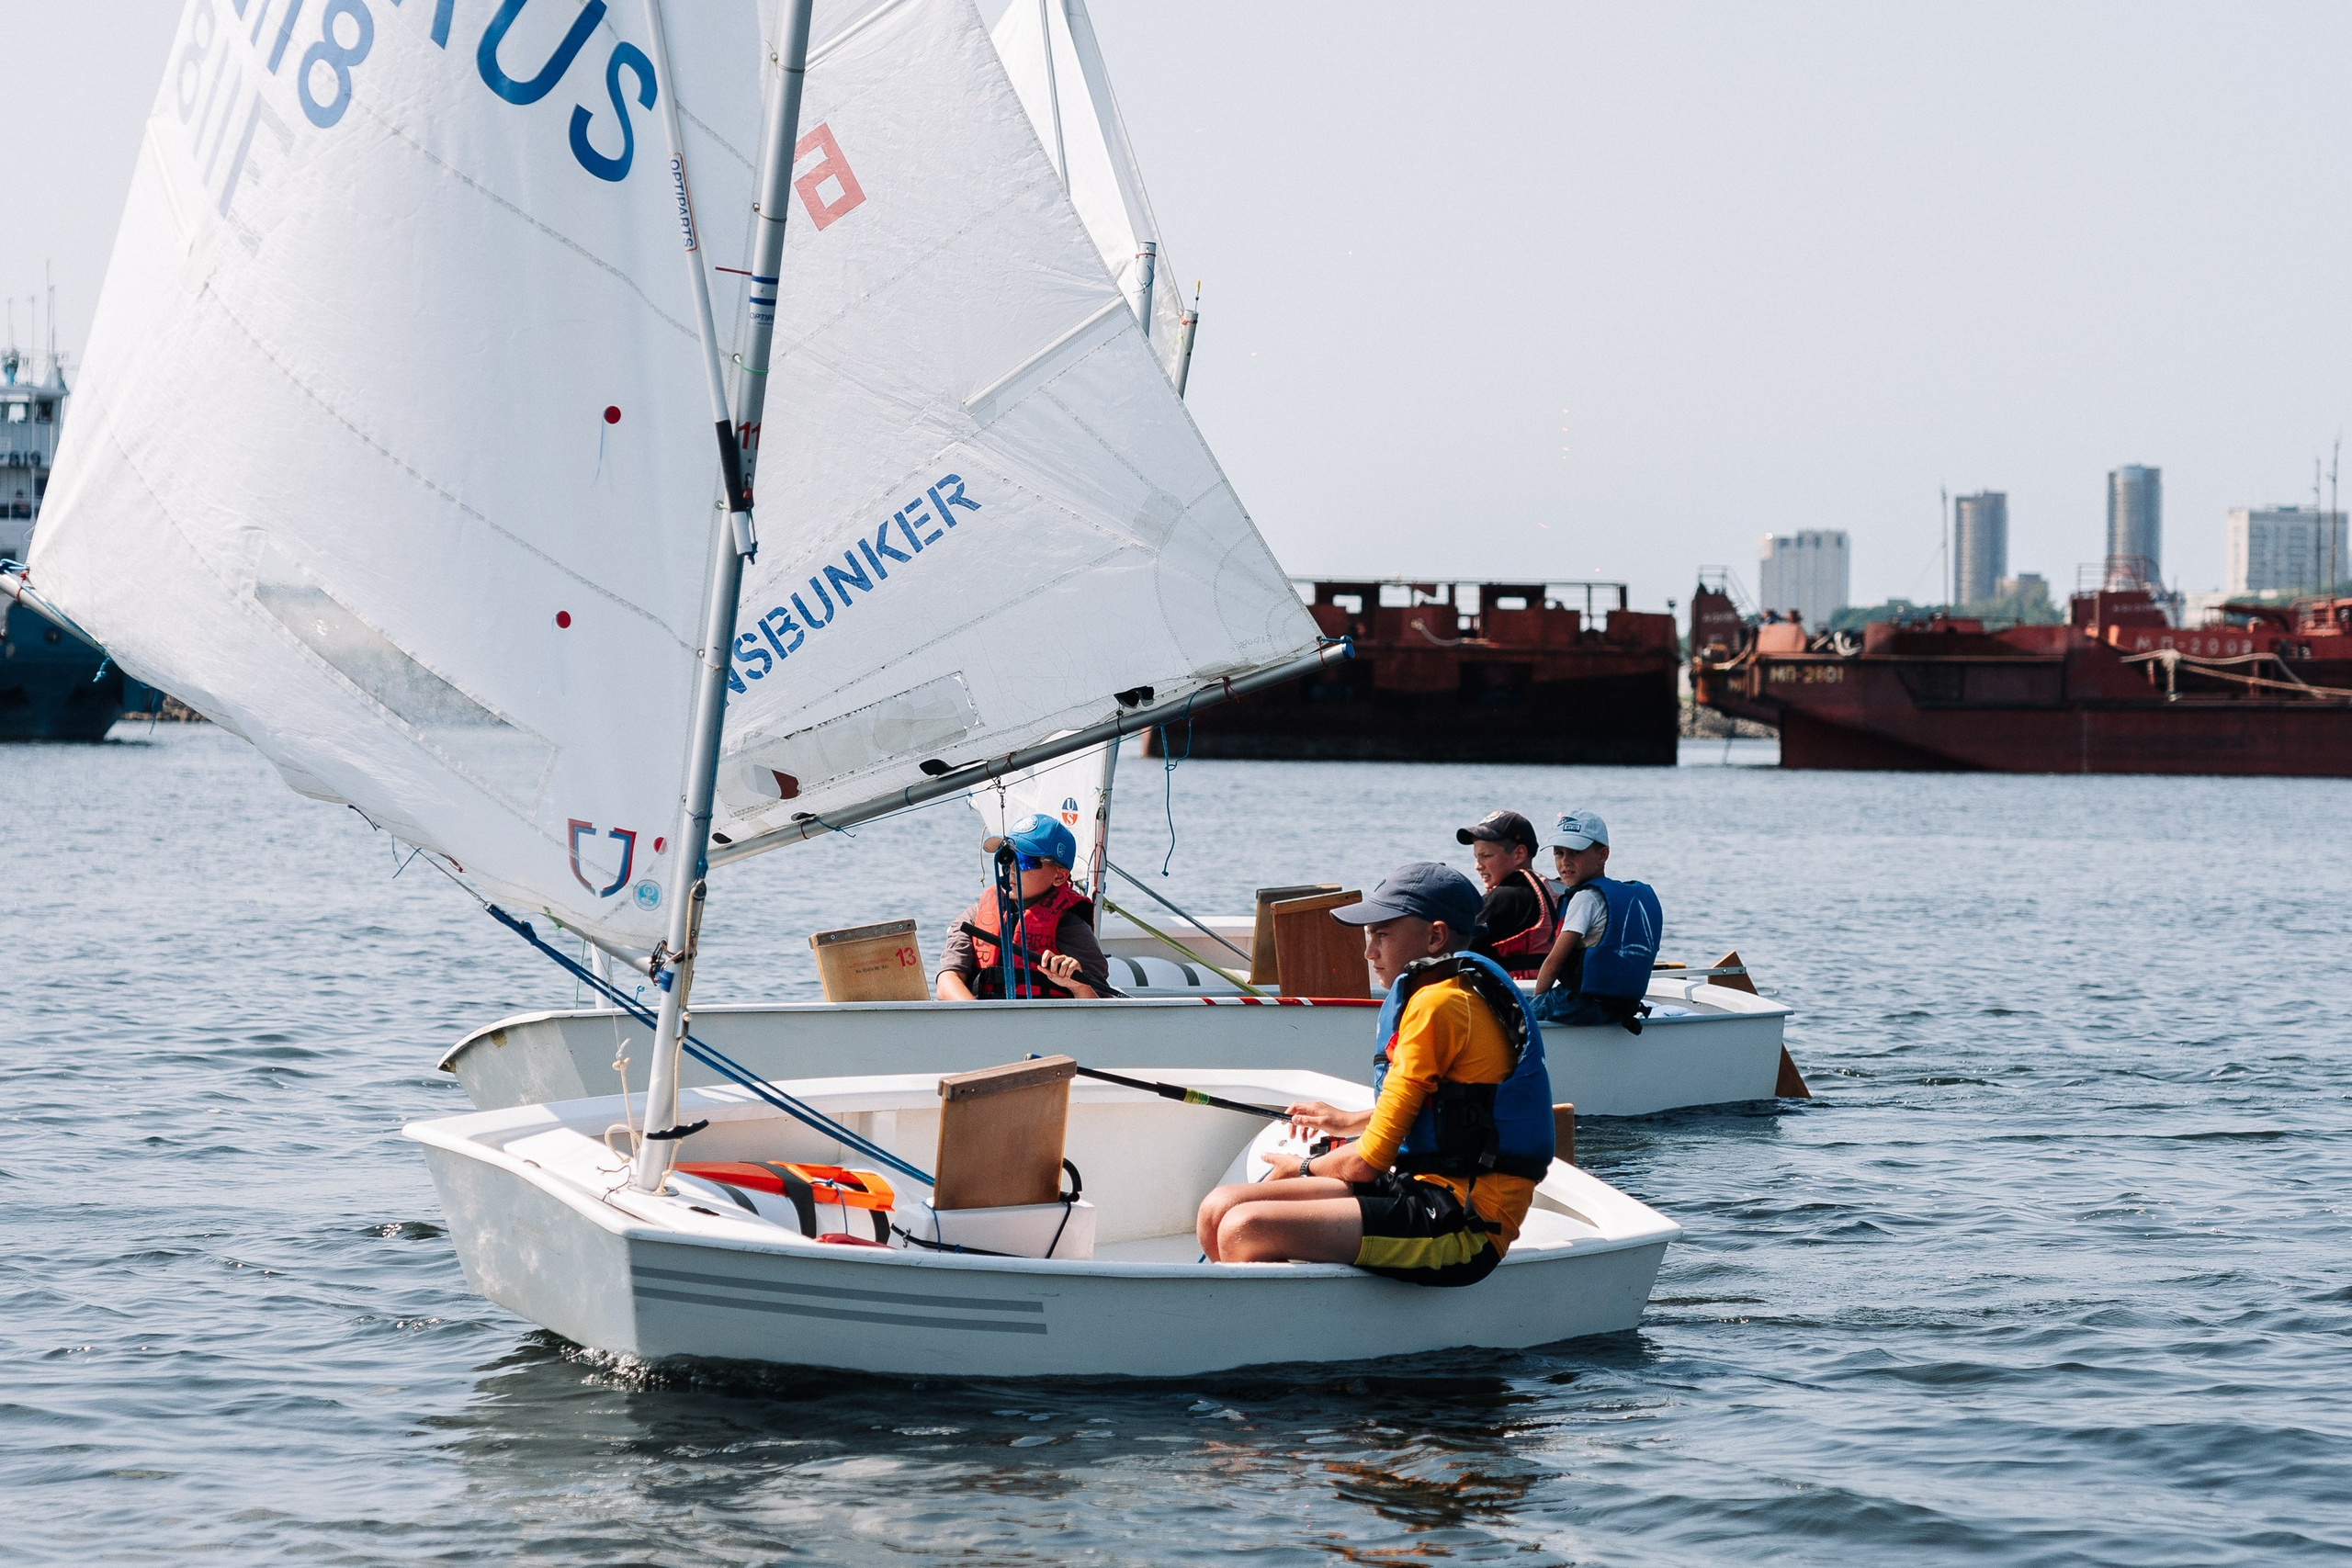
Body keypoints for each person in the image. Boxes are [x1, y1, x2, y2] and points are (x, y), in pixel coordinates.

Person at [1193, 862, 1554, 1287]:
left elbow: (1367, 1163)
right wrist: (1347, 1121)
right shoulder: (1440, 994)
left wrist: (1304, 1167)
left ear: (1435, 936)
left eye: (1382, 935)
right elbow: (1440, 1111)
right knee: (1218, 1208)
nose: (1369, 952)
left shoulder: (1441, 1005)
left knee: (1244, 1226)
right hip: (1416, 1184)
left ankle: (1267, 1349)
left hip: (1465, 1221)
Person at [933, 813, 1112, 1000]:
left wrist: (1079, 987)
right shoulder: (972, 917)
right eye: (1008, 856)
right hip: (982, 1025)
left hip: (1044, 1027)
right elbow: (947, 982)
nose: (1011, 867)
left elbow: (1103, 1011)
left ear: (1059, 876)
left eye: (1024, 861)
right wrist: (982, 1023)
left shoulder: (1071, 927)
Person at [1526, 810, 1662, 1032]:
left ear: (1602, 855)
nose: (1565, 862)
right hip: (1621, 1009)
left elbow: (1553, 964)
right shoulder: (1621, 897)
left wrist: (1536, 1007)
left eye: (1575, 852)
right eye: (1558, 853)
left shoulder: (1585, 898)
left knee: (1510, 1012)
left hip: (1582, 1005)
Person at [1454, 808, 1555, 978]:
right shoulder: (1555, 890)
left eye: (1486, 855)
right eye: (1476, 857)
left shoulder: (1503, 898)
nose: (1478, 866)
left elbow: (1459, 951)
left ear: (1519, 854)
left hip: (1517, 997)